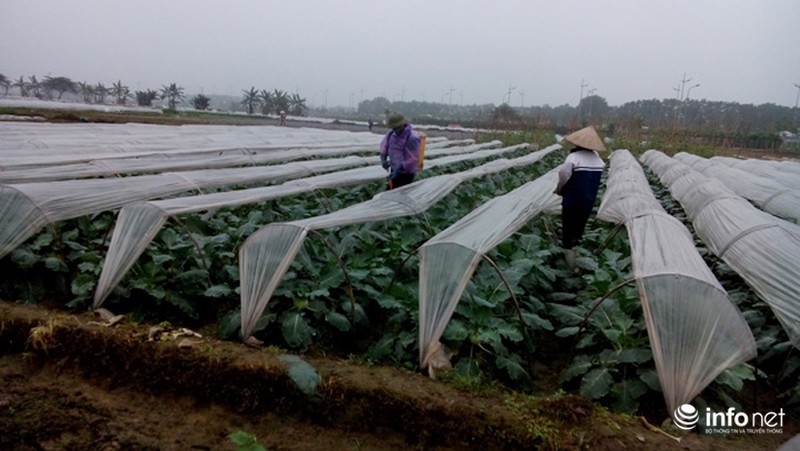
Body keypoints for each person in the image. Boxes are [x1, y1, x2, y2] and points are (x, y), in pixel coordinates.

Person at [554, 126, 607, 270]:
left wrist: (560, 188)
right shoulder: (597, 160)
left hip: (572, 200)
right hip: (588, 201)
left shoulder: (573, 157)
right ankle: (579, 262)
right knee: (579, 229)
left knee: (568, 231)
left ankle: (569, 266)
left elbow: (563, 174)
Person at [379, 112, 421, 190]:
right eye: (393, 128)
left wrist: (399, 169)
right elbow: (384, 145)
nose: (395, 130)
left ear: (402, 125)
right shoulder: (391, 134)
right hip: (394, 168)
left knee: (400, 194)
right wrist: (383, 158)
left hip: (406, 173)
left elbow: (412, 158)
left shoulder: (412, 138)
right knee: (391, 192)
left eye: (396, 128)